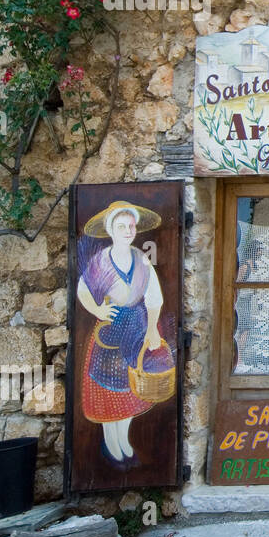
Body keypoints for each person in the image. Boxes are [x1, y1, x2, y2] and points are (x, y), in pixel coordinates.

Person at [75, 200, 171, 467]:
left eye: (131, 226)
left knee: (131, 385)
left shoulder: (141, 261)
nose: (128, 231)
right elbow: (83, 289)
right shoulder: (101, 261)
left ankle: (124, 439)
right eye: (122, 226)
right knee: (108, 387)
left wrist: (152, 329)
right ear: (111, 230)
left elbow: (154, 298)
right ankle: (111, 441)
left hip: (137, 330)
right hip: (110, 333)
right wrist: (98, 310)